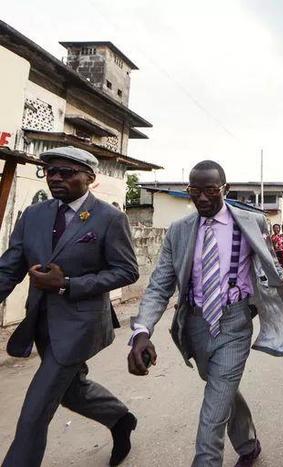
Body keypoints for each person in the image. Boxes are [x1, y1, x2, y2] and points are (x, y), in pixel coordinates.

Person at [128, 160, 283, 467]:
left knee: (212, 413)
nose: (201, 198)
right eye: (194, 190)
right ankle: (248, 444)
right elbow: (160, 285)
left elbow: (269, 265)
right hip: (195, 325)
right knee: (220, 388)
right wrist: (141, 330)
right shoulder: (179, 231)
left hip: (235, 323)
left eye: (210, 190)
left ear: (225, 189)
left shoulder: (252, 222)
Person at [1, 146, 140, 467]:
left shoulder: (109, 218)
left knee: (35, 411)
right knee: (70, 390)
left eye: (66, 172)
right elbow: (9, 268)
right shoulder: (33, 215)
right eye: (50, 171)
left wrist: (68, 284)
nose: (56, 178)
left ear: (90, 177)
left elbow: (126, 271)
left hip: (80, 326)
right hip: (40, 322)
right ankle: (120, 419)